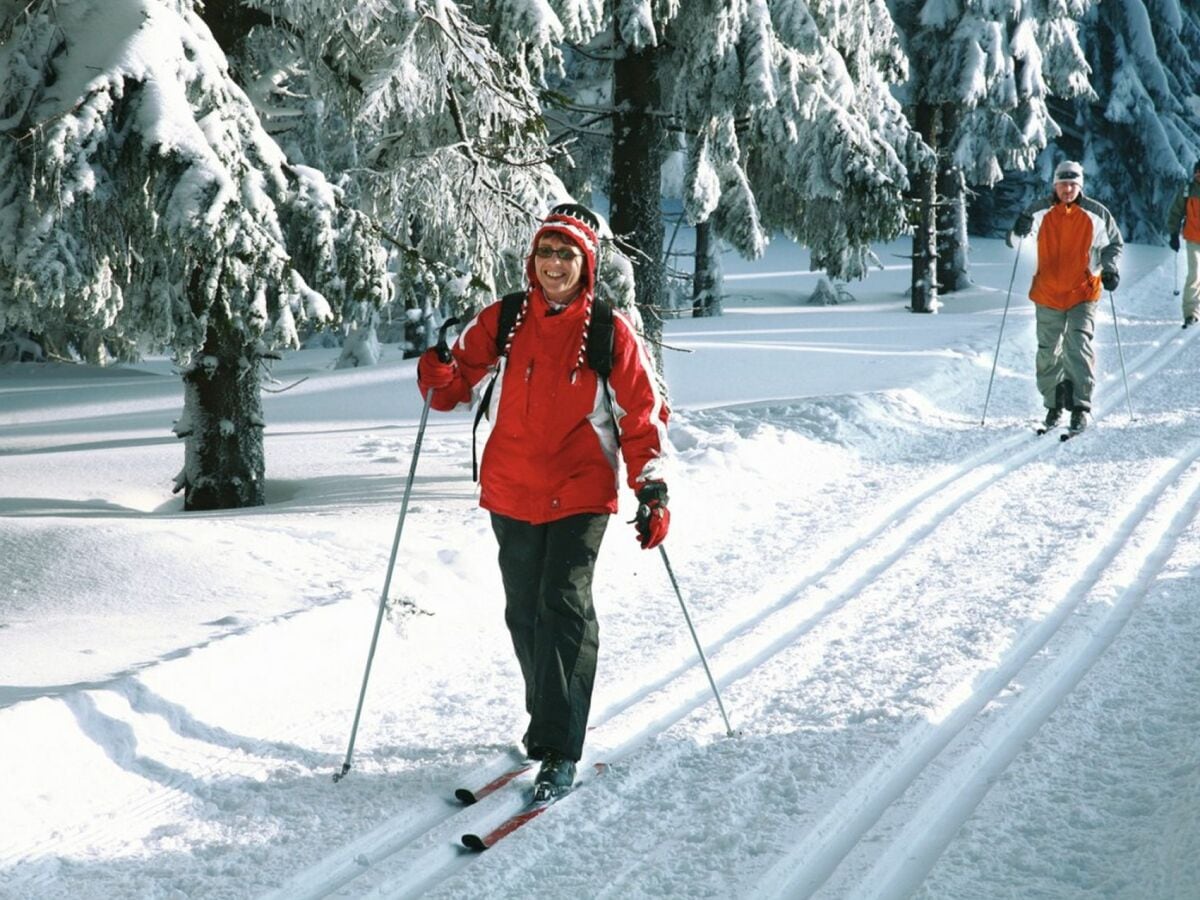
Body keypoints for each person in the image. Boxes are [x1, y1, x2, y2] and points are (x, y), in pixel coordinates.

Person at [416, 203, 670, 799]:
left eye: (568, 254)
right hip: (511, 488)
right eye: (546, 253)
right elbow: (453, 390)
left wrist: (651, 487)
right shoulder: (504, 317)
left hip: (580, 489)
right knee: (524, 610)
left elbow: (640, 416)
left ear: (588, 263)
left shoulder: (609, 331)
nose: (555, 264)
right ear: (533, 260)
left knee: (564, 608)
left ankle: (558, 746)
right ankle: (546, 719)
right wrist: (438, 369)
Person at [1007, 160, 1123, 435]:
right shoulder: (1038, 211)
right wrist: (1017, 228)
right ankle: (1054, 403)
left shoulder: (1096, 213)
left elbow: (1113, 245)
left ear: (1079, 186)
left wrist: (1110, 269)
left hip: (1083, 291)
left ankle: (1080, 407)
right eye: (1063, 183)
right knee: (1048, 352)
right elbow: (1014, 241)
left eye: (1073, 184)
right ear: (1055, 185)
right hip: (1047, 292)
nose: (1068, 189)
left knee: (1077, 346)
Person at [1165, 160, 1200, 328]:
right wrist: (1173, 233)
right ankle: (1191, 313)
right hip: (1193, 238)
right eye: (1197, 172)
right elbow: (1176, 211)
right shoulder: (1187, 190)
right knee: (1195, 274)